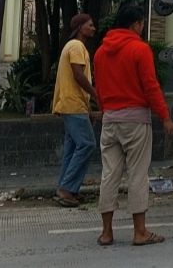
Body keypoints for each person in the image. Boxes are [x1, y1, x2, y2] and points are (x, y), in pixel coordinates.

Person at [93, 4, 173, 247]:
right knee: (138, 174)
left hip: (110, 120)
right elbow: (151, 86)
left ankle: (106, 232)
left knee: (109, 175)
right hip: (136, 120)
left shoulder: (100, 53)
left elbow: (99, 88)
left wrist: (106, 110)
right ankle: (140, 231)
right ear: (135, 25)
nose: (143, 28)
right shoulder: (140, 49)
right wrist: (165, 117)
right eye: (142, 24)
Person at [51, 13, 99, 208]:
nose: (94, 28)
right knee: (87, 144)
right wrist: (97, 95)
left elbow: (76, 80)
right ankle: (66, 189)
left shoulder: (72, 46)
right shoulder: (77, 46)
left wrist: (88, 107)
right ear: (80, 28)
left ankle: (66, 189)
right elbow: (78, 76)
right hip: (72, 104)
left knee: (71, 150)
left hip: (72, 103)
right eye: (90, 25)